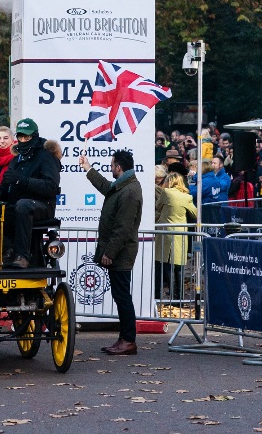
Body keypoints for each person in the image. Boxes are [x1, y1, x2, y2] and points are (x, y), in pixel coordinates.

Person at [81, 150, 142, 356]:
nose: (110, 168)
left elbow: (123, 228)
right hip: (119, 251)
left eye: (112, 164)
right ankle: (124, 338)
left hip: (121, 253)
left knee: (122, 296)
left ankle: (129, 340)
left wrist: (110, 252)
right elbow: (106, 187)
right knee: (120, 295)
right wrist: (88, 168)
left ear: (119, 167)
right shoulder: (122, 186)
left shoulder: (130, 191)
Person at [0, 119, 62, 268]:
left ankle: (23, 256)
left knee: (23, 205)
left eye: (27, 137)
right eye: (20, 137)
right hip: (18, 203)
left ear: (35, 136)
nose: (23, 140)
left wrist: (23, 181)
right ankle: (5, 250)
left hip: (43, 206)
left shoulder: (46, 156)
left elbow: (51, 187)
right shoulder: (17, 159)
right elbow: (9, 189)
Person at [155, 171, 196, 299]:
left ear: (170, 181)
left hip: (166, 233)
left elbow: (158, 206)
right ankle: (179, 297)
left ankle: (168, 296)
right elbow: (195, 214)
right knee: (179, 267)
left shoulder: (166, 193)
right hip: (181, 234)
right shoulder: (187, 197)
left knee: (165, 265)